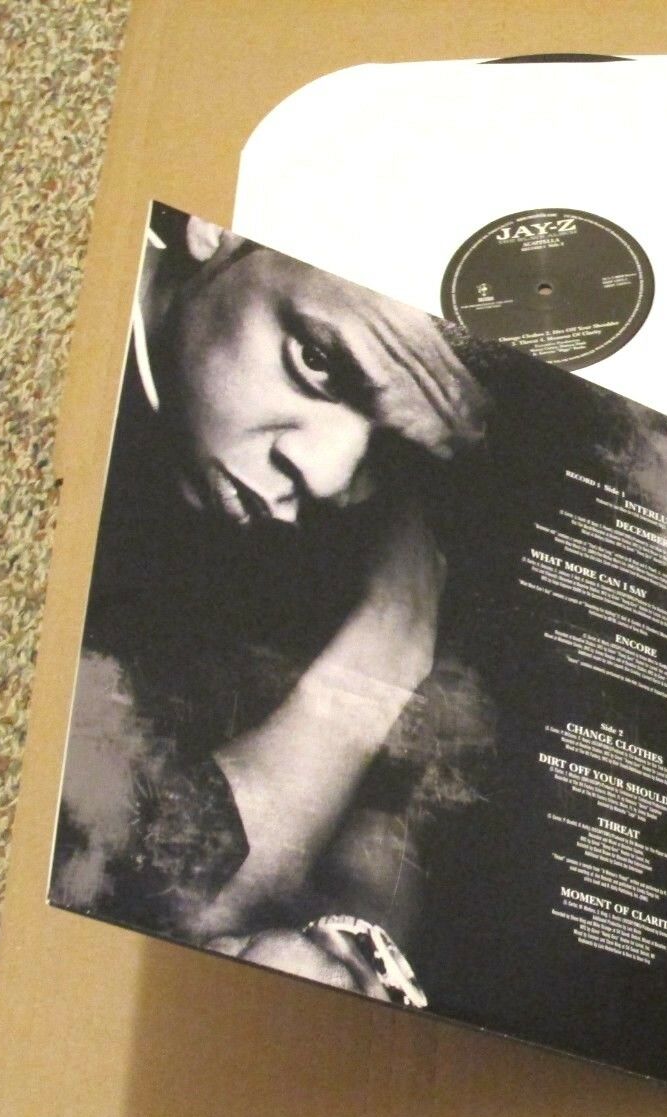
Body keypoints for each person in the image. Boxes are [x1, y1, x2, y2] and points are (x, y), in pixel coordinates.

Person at [50, 203, 497, 1003]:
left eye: (389, 447)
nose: (325, 474)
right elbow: (140, 886)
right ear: (216, 228)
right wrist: (393, 637)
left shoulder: (333, 540)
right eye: (319, 361)